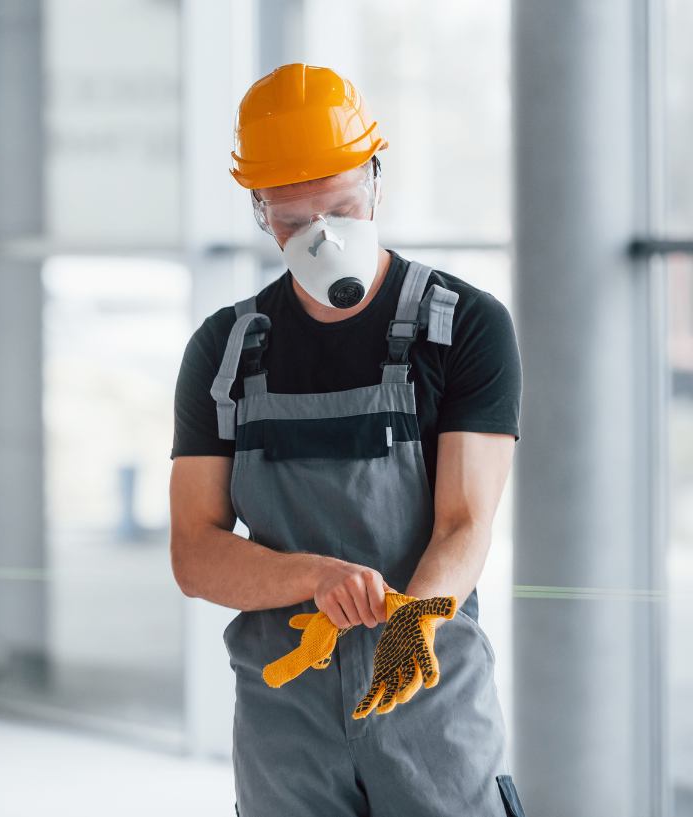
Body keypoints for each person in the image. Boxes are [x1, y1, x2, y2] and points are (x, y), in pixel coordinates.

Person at [169, 63, 525, 816]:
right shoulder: (225, 350)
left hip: (425, 691)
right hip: (283, 710)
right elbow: (195, 553)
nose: (322, 237)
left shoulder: (464, 327)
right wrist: (317, 576)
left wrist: (411, 622)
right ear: (260, 211)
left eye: (343, 206)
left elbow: (467, 520)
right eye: (295, 222)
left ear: (376, 180)